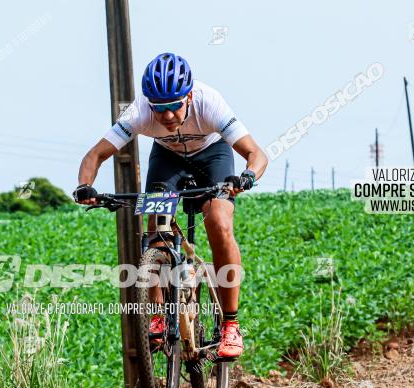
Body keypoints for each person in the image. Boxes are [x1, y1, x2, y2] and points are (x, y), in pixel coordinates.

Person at [73, 52, 268, 359]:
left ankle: (231, 324)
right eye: (158, 108)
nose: (166, 116)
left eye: (173, 106)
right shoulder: (139, 111)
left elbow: (257, 154)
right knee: (156, 228)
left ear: (189, 95)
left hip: (212, 155)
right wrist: (85, 186)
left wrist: (246, 177)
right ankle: (159, 315)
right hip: (167, 160)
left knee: (218, 220)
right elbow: (94, 155)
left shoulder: (210, 102)